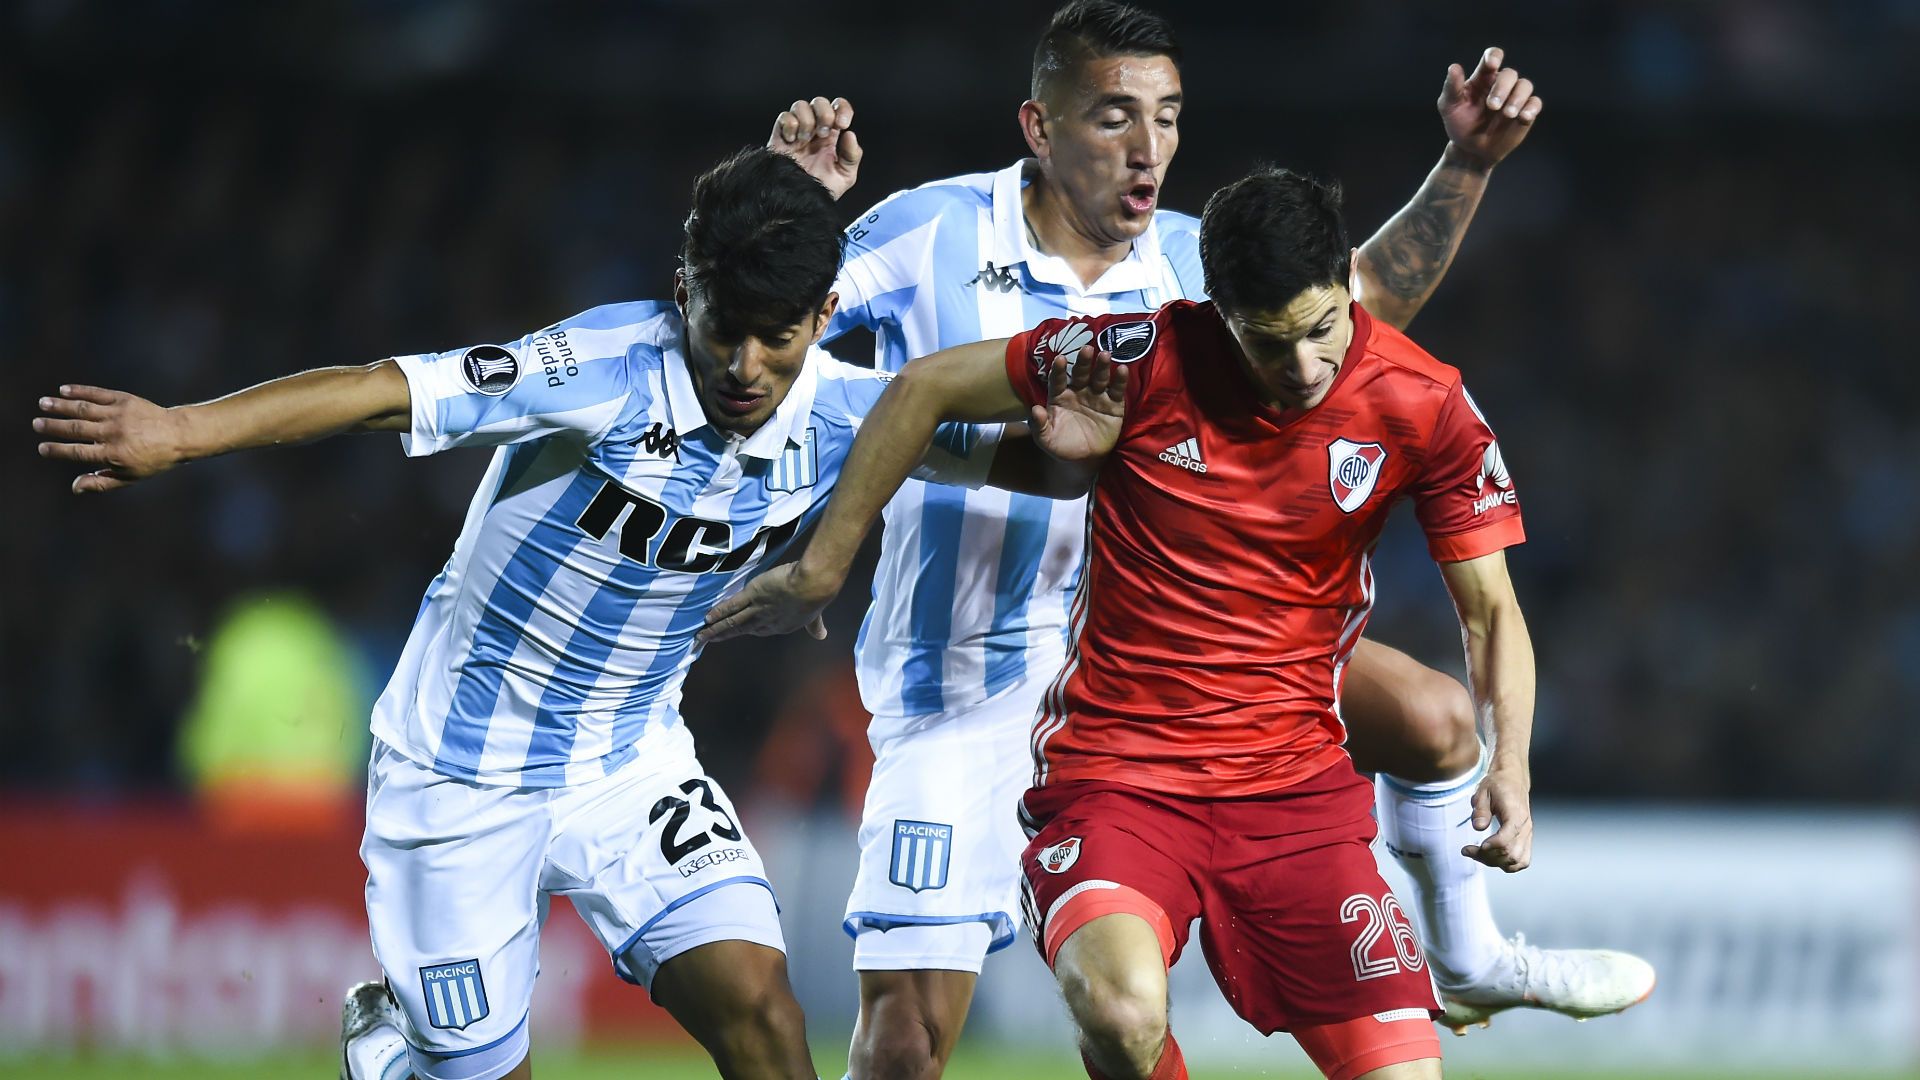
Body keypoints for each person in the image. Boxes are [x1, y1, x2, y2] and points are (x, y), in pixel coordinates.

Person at [32, 148, 1097, 1080]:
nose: (744, 368)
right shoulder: (601, 370)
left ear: (823, 319)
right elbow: (383, 390)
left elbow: (1037, 460)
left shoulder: (849, 412)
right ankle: (397, 1055)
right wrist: (180, 432)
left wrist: (1116, 431)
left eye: (776, 338)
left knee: (766, 1017)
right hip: (458, 773)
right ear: (684, 292)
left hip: (630, 763)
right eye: (722, 330)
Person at [758, 2, 1645, 1072]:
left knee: (1434, 715)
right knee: (904, 1043)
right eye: (1116, 117)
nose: (1150, 148)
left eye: (1169, 117)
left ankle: (1469, 953)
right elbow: (772, 349)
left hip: (1175, 648)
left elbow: (1355, 310)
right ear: (1040, 125)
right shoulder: (927, 232)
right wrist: (788, 217)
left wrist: (1465, 165)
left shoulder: (1199, 265)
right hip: (968, 669)